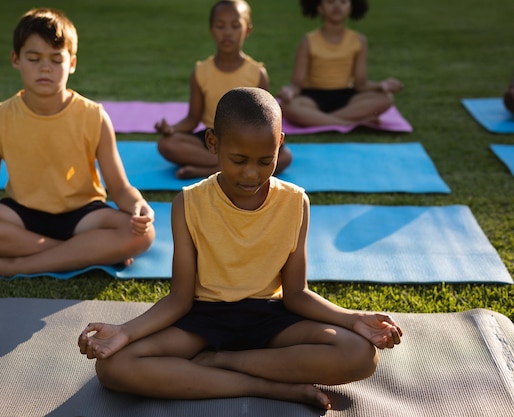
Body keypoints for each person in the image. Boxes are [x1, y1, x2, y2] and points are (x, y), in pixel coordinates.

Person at [79, 87, 403, 410]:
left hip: (271, 318)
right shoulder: (188, 203)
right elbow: (179, 297)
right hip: (203, 320)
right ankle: (270, 387)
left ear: (280, 144)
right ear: (213, 143)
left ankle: (220, 362)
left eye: (265, 161)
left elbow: (297, 294)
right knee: (114, 367)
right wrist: (125, 331)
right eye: (238, 160)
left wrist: (353, 319)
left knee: (359, 355)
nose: (252, 174)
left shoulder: (295, 202)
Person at [0, 8, 155, 277]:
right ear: (16, 59)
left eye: (56, 59)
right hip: (20, 216)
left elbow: (119, 188)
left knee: (143, 234)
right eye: (34, 58)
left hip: (84, 215)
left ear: (72, 63)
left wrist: (138, 206)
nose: (45, 67)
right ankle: (81, 252)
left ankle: (15, 265)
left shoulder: (94, 116)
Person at [155, 0, 292, 179]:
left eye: (235, 26)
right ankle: (230, 166)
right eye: (220, 26)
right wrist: (171, 130)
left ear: (247, 30)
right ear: (212, 30)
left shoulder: (257, 73)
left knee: (286, 156)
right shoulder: (200, 72)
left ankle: (209, 170)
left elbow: (266, 118)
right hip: (212, 139)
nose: (227, 32)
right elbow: (192, 119)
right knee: (166, 144)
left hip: (247, 139)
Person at [278, 0, 403, 127]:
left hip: (347, 97)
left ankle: (317, 120)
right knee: (287, 105)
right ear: (319, 7)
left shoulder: (359, 41)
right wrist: (289, 91)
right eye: (330, 1)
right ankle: (351, 123)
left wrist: (382, 85)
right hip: (313, 98)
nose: (337, 6)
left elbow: (361, 85)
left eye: (343, 1)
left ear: (352, 7)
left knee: (386, 98)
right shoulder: (308, 41)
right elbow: (296, 84)